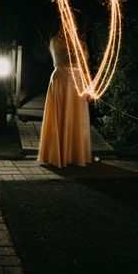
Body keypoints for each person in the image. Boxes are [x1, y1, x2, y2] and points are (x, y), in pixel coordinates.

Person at [37, 24, 92, 168]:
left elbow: (84, 64)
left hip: (78, 81)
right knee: (61, 115)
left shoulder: (81, 42)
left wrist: (88, 84)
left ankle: (75, 154)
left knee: (76, 116)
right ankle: (59, 155)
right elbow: (63, 59)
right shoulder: (56, 41)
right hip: (62, 78)